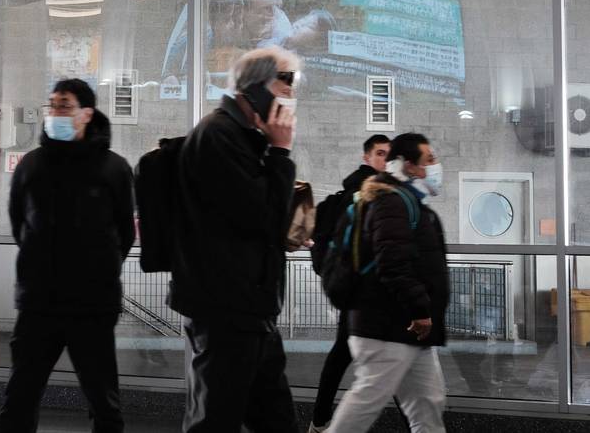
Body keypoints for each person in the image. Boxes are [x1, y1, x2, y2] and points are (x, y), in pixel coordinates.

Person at [172, 46, 300, 433]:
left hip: (251, 306)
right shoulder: (218, 135)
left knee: (275, 418)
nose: (291, 95)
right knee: (215, 419)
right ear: (257, 87)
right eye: (286, 82)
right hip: (226, 307)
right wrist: (280, 152)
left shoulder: (243, 137)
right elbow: (259, 215)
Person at [0, 78, 135, 433]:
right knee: (21, 395)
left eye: (65, 105)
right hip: (39, 301)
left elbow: (125, 232)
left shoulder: (113, 168)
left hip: (92, 305)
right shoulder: (31, 165)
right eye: (52, 105)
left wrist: (98, 269)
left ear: (87, 114)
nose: (55, 112)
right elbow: (19, 225)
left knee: (103, 399)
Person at [326, 133, 450, 433]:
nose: (436, 165)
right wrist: (420, 309)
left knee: (428, 404)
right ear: (410, 166)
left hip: (407, 330)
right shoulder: (391, 202)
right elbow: (392, 263)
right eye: (429, 159)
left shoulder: (405, 202)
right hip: (387, 326)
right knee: (365, 403)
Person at [309, 134, 397, 433]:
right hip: (364, 292)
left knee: (350, 355)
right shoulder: (359, 196)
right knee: (378, 359)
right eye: (380, 153)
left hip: (365, 291)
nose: (385, 159)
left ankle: (320, 421)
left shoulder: (384, 192)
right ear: (367, 158)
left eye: (389, 154)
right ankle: (322, 422)